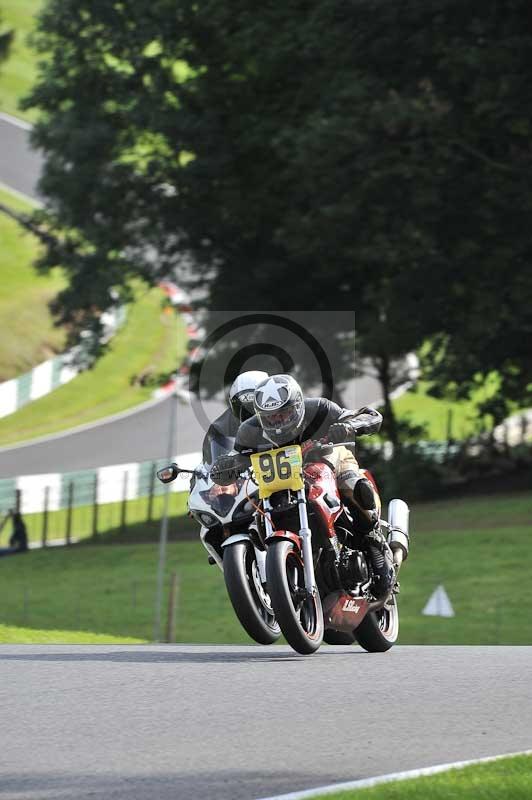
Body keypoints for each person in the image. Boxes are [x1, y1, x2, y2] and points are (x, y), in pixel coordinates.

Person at [211, 373, 395, 598]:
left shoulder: (319, 408)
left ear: (297, 405)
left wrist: (349, 426)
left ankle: (374, 541)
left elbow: (370, 416)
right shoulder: (249, 431)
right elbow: (237, 460)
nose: (278, 422)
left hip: (328, 460)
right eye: (270, 418)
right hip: (282, 481)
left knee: (352, 485)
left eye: (283, 414)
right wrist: (225, 467)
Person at [201, 370, 269, 465]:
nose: (248, 414)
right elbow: (209, 466)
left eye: (254, 407)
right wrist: (223, 465)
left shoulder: (282, 419)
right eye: (242, 408)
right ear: (233, 407)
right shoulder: (220, 428)